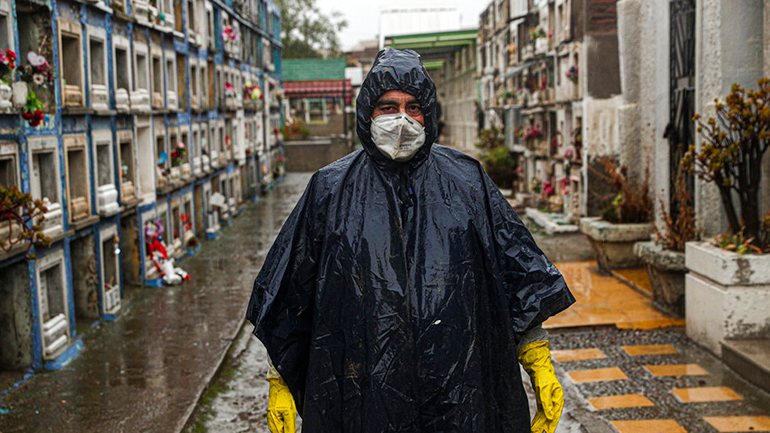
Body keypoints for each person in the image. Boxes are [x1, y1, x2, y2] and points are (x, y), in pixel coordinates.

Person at [246, 49, 575, 433]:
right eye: (387, 106)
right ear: (368, 111)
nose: (400, 119)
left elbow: (515, 272)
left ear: (428, 114)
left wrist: (537, 357)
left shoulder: (467, 183)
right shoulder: (330, 190)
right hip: (362, 394)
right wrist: (279, 380)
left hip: (458, 393)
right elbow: (291, 292)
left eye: (413, 106)